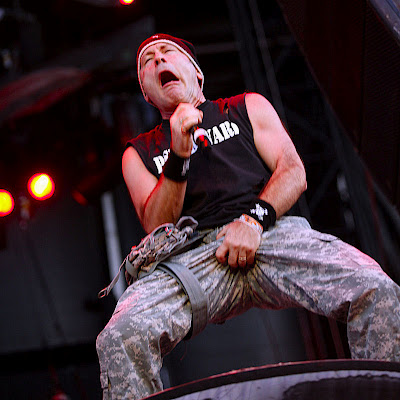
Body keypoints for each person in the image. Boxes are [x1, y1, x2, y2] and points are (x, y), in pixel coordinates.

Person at [96, 34, 400, 399]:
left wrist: (252, 222)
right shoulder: (138, 152)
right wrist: (178, 153)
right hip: (193, 259)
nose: (159, 60)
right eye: (148, 61)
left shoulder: (245, 106)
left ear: (196, 73)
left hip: (269, 232)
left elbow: (292, 172)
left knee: (375, 289)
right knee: (120, 336)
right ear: (146, 92)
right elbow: (156, 224)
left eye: (168, 53)